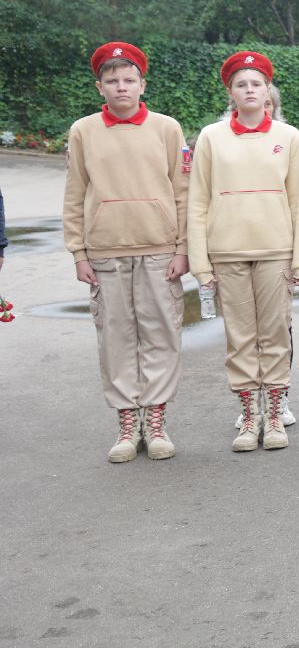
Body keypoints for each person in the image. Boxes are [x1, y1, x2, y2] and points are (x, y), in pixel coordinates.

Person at [61, 42, 189, 463]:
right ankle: (126, 424)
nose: (121, 87)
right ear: (100, 87)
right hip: (105, 252)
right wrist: (79, 251)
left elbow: (183, 192)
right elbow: (75, 193)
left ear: (142, 84)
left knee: (160, 335)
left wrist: (183, 247)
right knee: (115, 338)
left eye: (128, 80)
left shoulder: (167, 128)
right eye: (112, 81)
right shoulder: (83, 131)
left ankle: (155, 422)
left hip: (158, 250)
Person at [189, 51, 299, 451]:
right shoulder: (211, 136)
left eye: (256, 84)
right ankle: (249, 416)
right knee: (240, 337)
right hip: (226, 251)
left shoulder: (288, 137)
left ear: (267, 91)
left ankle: (275, 415)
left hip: (276, 249)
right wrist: (201, 262)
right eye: (241, 84)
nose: (249, 90)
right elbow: (198, 201)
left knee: (275, 333)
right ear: (231, 92)